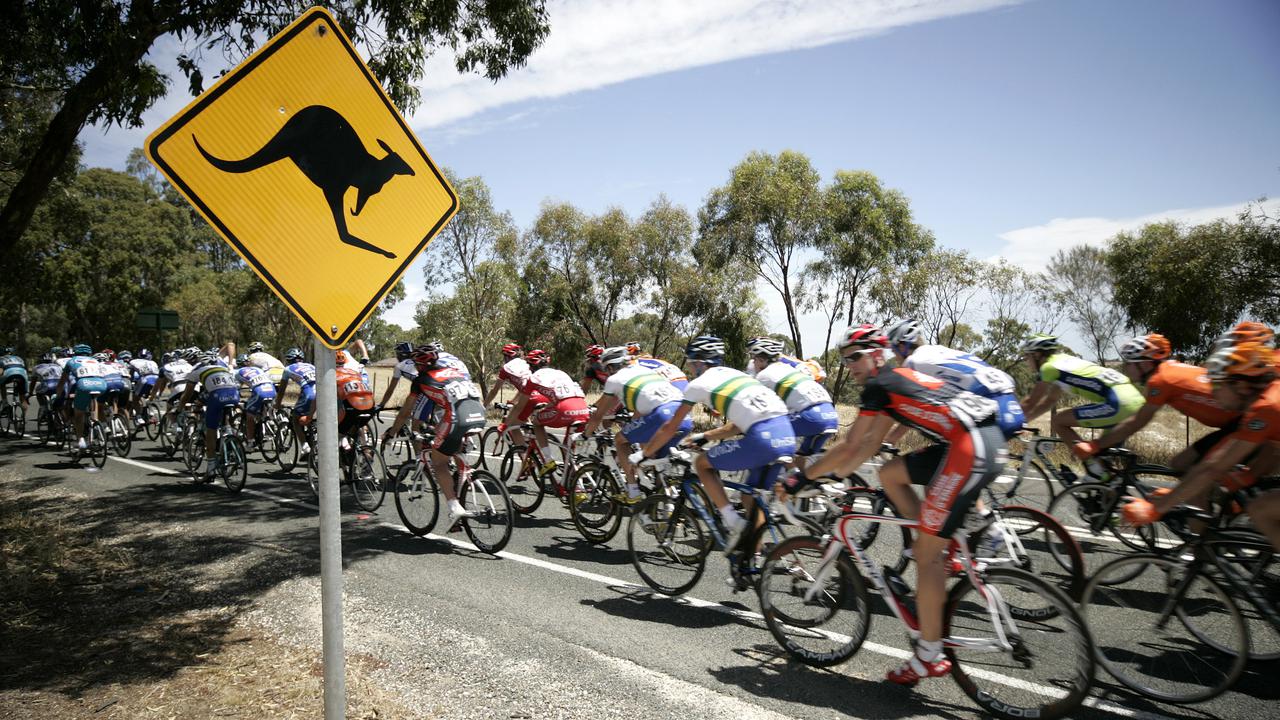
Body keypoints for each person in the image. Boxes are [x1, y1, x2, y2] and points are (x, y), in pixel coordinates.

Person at [781, 324, 1006, 685]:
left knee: (925, 556)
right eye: (844, 360)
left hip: (971, 448)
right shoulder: (892, 380)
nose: (849, 365)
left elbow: (853, 443)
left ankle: (928, 654)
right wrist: (835, 476)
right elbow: (868, 446)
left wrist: (803, 478)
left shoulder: (880, 384)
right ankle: (935, 541)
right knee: (890, 473)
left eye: (855, 357)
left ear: (876, 354)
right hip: (979, 438)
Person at [638, 335, 796, 555]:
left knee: (702, 464)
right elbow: (740, 425)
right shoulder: (738, 375)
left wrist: (643, 454)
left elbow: (669, 427)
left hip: (763, 438)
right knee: (751, 497)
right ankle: (755, 556)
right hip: (786, 435)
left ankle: (732, 522)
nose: (692, 369)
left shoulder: (699, 384)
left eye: (692, 363)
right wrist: (706, 436)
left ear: (701, 363)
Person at [1125, 341, 1280, 550]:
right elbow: (1272, 448)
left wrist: (1157, 509)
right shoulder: (1267, 401)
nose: (1212, 393)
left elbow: (1213, 467)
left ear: (1241, 386)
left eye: (1217, 385)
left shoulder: (1266, 408)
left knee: (1260, 510)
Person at [1078, 333, 1241, 473]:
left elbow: (1136, 422)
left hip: (1239, 423)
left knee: (1194, 476)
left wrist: (1096, 445)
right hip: (1231, 423)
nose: (1126, 367)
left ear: (1145, 364)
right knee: (1180, 465)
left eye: (1130, 363)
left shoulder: (1160, 380)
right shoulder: (1169, 369)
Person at [382, 344, 486, 527]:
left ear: (419, 365)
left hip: (456, 419)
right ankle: (461, 478)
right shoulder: (454, 371)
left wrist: (392, 432)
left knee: (439, 463)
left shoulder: (421, 379)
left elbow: (406, 411)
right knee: (450, 446)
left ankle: (455, 508)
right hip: (479, 415)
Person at [577, 346, 692, 502]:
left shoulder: (614, 379)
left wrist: (585, 435)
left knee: (620, 440)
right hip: (684, 417)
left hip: (661, 414)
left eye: (606, 368)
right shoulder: (646, 371)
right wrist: (632, 426)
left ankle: (633, 491)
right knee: (656, 460)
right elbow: (641, 411)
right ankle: (666, 504)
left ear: (610, 367)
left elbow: (599, 415)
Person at [883, 319, 1024, 439]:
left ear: (902, 347)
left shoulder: (913, 363)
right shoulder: (937, 351)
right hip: (1010, 403)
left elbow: (911, 409)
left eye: (894, 352)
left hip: (992, 410)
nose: (895, 358)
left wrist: (890, 439)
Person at [1018, 334, 1144, 457]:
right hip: (1135, 400)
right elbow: (1049, 401)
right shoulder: (1062, 361)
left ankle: (1094, 468)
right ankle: (1108, 474)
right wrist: (1023, 422)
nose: (1025, 360)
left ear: (1037, 354)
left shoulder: (1048, 368)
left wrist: (1011, 423)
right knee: (1105, 458)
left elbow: (1031, 402)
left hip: (1118, 402)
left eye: (1027, 356)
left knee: (1057, 421)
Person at [745, 336, 838, 471]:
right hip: (830, 414)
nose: (752, 363)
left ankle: (790, 478)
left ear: (762, 359)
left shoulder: (764, 375)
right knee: (801, 468)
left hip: (811, 416)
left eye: (754, 358)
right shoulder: (786, 367)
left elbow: (753, 406)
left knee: (772, 438)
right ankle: (811, 485)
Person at [499, 350, 591, 475]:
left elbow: (520, 406)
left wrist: (505, 424)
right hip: (583, 408)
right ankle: (574, 482)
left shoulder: (533, 378)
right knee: (568, 446)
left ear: (531, 366)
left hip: (565, 408)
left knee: (537, 422)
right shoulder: (560, 372)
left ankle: (548, 460)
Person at [179, 352, 242, 480]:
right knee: (225, 418)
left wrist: (180, 407)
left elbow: (187, 394)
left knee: (211, 430)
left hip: (217, 396)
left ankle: (211, 467)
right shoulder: (224, 368)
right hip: (234, 395)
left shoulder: (197, 371)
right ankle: (230, 439)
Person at [54, 344, 108, 451]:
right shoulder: (95, 360)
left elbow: (62, 381)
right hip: (101, 384)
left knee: (79, 414)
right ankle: (96, 422)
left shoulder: (72, 361)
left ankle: (81, 440)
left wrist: (59, 394)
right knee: (94, 399)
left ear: (75, 352)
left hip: (84, 384)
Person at [275, 347, 317, 456]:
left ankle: (305, 446)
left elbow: (281, 391)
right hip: (323, 393)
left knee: (295, 418)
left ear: (288, 360)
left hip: (309, 394)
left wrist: (278, 404)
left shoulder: (288, 369)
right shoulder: (311, 366)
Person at [236, 354, 277, 448]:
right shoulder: (257, 369)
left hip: (259, 391)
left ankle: (250, 442)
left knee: (249, 415)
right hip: (272, 388)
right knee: (262, 409)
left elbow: (236, 388)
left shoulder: (237, 372)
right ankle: (269, 422)